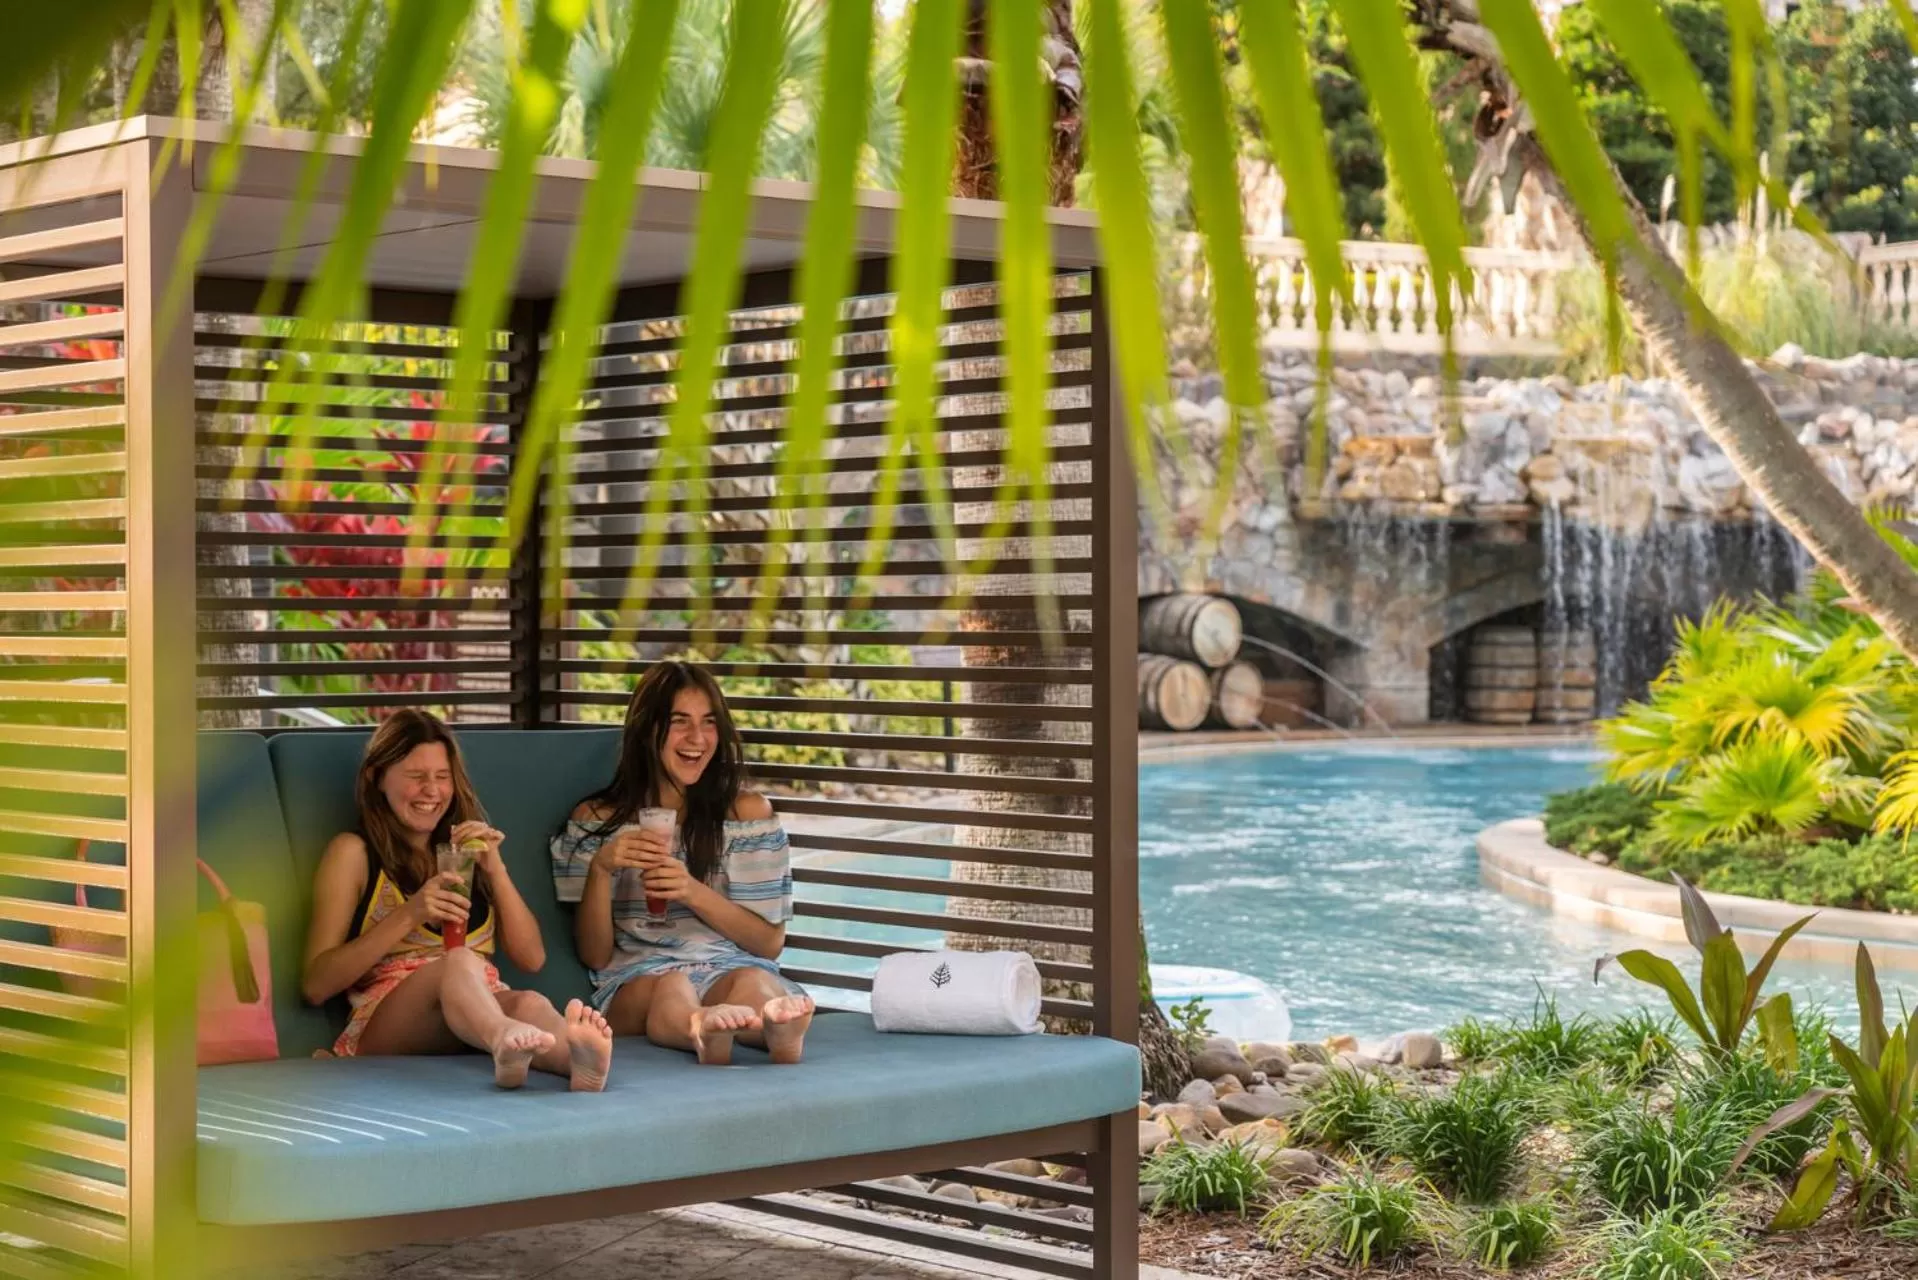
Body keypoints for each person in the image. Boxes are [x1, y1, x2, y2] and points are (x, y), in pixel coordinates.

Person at [301, 709, 613, 1091]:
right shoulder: (353, 853)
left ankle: (578, 1063)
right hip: (386, 1023)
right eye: (416, 776)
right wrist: (411, 913)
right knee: (460, 960)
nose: (431, 791)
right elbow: (316, 985)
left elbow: (532, 959)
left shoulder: (463, 853)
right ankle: (502, 1040)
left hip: (471, 1015)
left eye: (442, 776)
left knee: (529, 1003)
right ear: (376, 778)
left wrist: (495, 869)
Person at [553, 661, 814, 1065]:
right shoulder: (597, 821)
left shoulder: (745, 816)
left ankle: (774, 1030)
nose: (697, 738)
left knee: (754, 980)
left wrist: (691, 891)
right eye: (680, 722)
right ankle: (699, 1029)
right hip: (639, 978)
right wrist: (602, 871)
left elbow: (768, 945)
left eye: (709, 722)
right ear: (647, 730)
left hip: (728, 965)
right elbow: (595, 956)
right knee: (671, 985)